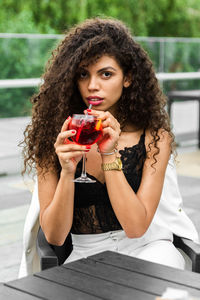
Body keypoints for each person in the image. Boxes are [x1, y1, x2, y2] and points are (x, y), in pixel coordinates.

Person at [19, 17, 199, 277]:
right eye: (83, 74)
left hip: (149, 248)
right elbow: (56, 237)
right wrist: (67, 173)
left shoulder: (155, 138)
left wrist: (109, 153)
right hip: (85, 254)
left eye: (106, 74)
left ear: (127, 78)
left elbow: (136, 228)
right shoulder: (54, 139)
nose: (92, 85)